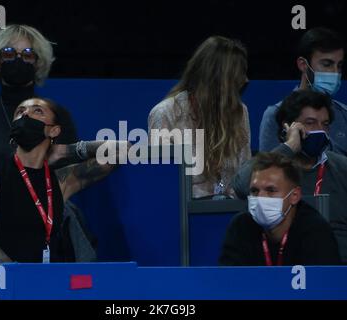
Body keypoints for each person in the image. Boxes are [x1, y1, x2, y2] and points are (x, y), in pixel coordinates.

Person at [0, 97, 128, 264]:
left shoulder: (61, 180)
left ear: (54, 130)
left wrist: (63, 151)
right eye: (20, 111)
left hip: (50, 278)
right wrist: (21, 278)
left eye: (37, 111)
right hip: (9, 281)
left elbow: (122, 151)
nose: (25, 115)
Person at [0, 24, 78, 195]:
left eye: (27, 54)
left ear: (37, 63)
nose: (18, 60)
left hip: (46, 210)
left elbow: (70, 171)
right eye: (8, 53)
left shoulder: (56, 115)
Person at [232, 89, 347, 263]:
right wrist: (289, 147)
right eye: (310, 123)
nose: (320, 131)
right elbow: (241, 185)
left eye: (325, 124)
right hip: (285, 261)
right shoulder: (277, 169)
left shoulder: (342, 167)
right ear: (288, 128)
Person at [148, 35, 251, 198]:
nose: (246, 80)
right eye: (238, 75)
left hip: (231, 210)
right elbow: (164, 185)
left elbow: (242, 177)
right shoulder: (166, 114)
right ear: (216, 80)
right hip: (187, 215)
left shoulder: (239, 111)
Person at [219, 152, 340, 266]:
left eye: (270, 190)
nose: (260, 197)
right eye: (254, 191)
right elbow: (228, 282)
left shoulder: (316, 231)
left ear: (294, 196)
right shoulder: (240, 227)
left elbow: (324, 285)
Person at [259, 27, 347, 155]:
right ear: (303, 65)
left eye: (339, 66)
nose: (335, 72)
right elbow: (265, 170)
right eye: (327, 64)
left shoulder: (344, 114)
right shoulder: (275, 115)